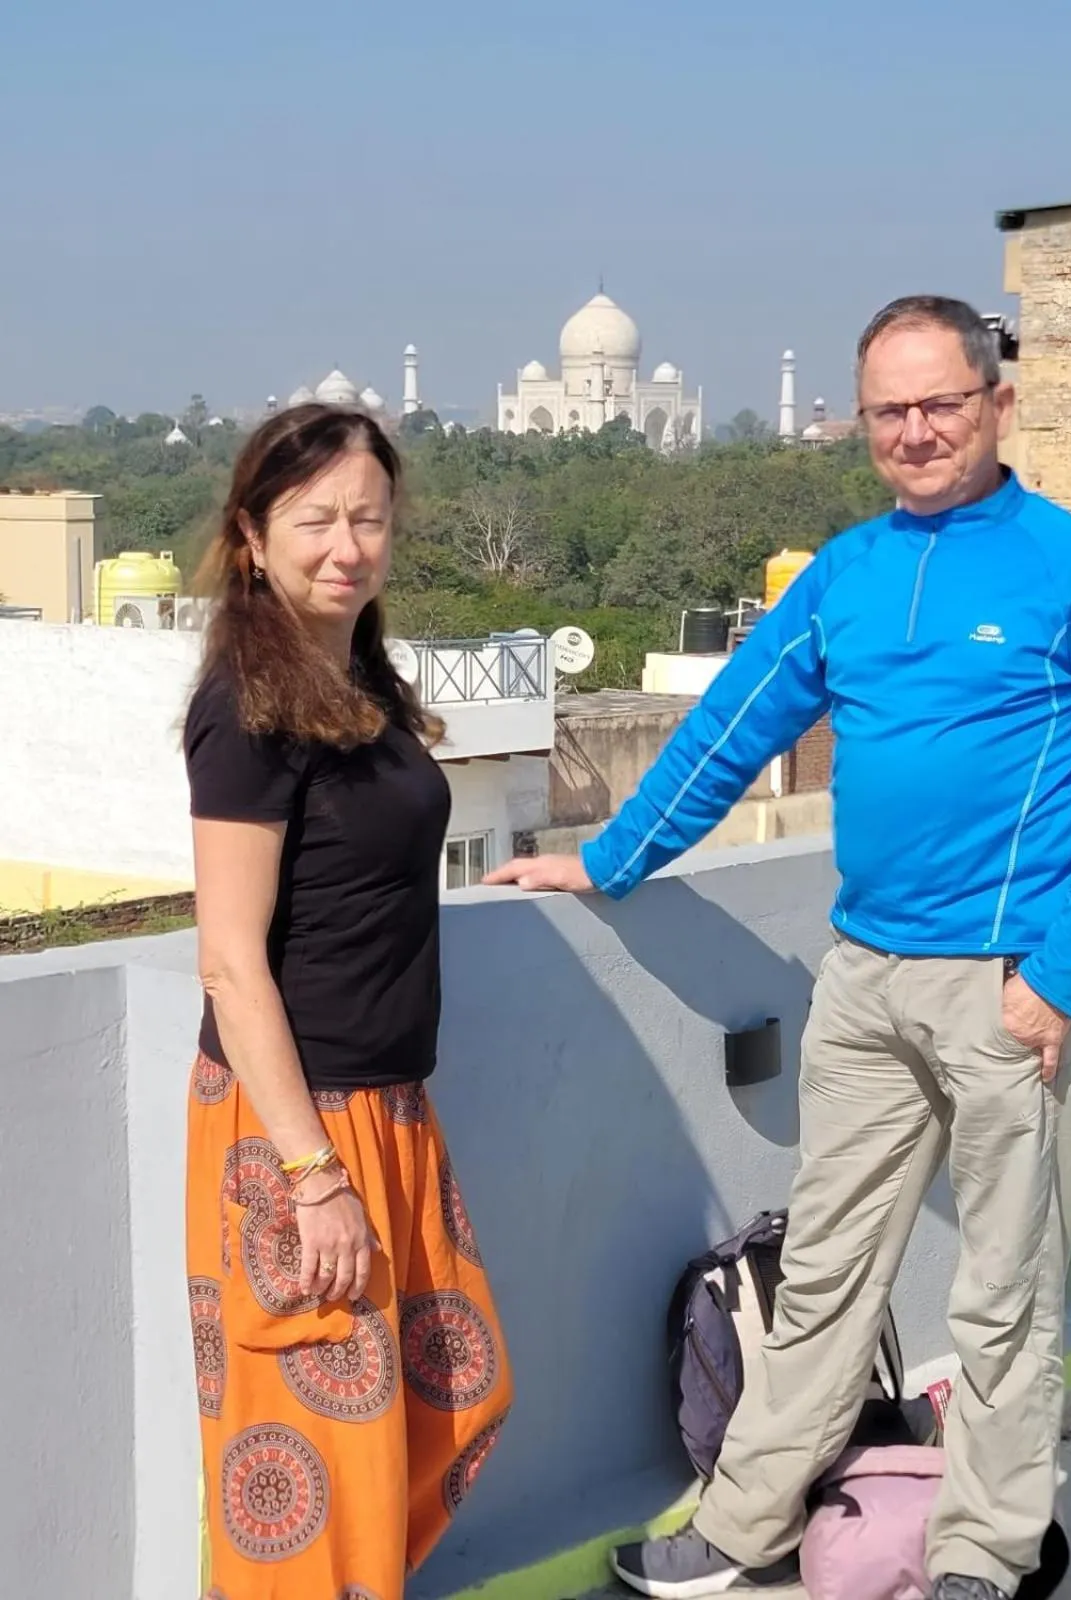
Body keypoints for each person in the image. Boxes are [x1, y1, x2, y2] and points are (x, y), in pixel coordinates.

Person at [485, 297, 1071, 1600]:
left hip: (1011, 983)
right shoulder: (848, 578)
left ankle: (985, 1554)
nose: (918, 433)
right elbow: (727, 732)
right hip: (866, 981)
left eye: (942, 405)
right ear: (863, 424)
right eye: (890, 413)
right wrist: (608, 855)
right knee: (821, 1273)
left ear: (996, 406)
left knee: (1005, 1294)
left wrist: (1061, 981)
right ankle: (742, 1527)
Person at [184, 403, 511, 1600]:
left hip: (388, 1108)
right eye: (314, 519)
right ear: (252, 538)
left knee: (445, 1400)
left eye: (367, 518)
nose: (346, 545)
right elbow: (229, 955)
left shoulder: (353, 678)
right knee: (315, 1467)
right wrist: (312, 1172)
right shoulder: (247, 707)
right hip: (292, 1127)